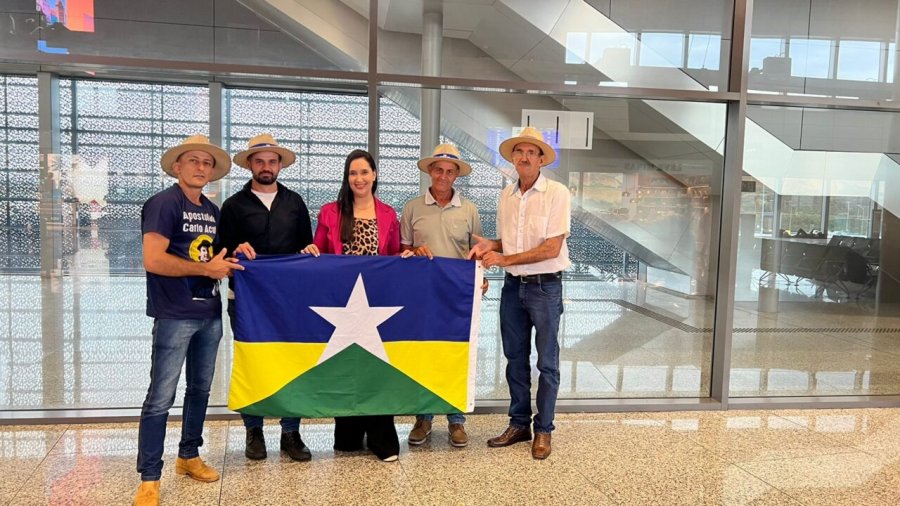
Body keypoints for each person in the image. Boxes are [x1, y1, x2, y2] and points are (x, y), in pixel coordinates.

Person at [135, 135, 243, 505]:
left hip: (209, 314)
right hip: (174, 314)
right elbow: (153, 260)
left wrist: (229, 261)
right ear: (177, 166)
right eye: (193, 161)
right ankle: (150, 477)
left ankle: (189, 455)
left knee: (199, 390)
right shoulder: (164, 204)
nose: (200, 167)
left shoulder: (213, 212)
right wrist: (205, 268)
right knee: (160, 397)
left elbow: (213, 261)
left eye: (206, 163)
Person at [468, 126, 570, 460]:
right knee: (514, 358)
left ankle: (544, 430)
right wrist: (489, 246)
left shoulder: (557, 193)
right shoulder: (506, 195)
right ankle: (518, 424)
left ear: (542, 159)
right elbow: (509, 243)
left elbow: (552, 247)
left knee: (548, 363)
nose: (524, 157)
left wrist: (504, 256)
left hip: (545, 286)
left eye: (531, 152)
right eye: (519, 152)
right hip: (513, 287)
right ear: (513, 157)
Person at [217, 134, 314, 462]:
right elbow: (221, 254)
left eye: (272, 161)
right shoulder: (233, 206)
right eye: (259, 161)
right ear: (249, 165)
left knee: (293, 362)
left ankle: (291, 431)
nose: (266, 167)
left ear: (280, 165)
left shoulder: (295, 203)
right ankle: (253, 430)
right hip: (246, 300)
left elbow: (307, 247)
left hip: (291, 301)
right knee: (252, 361)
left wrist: (310, 252)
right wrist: (233, 251)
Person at [301, 149, 401, 462]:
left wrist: (409, 260)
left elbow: (394, 258)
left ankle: (382, 438)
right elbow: (319, 250)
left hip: (376, 303)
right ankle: (349, 435)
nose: (358, 179)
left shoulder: (388, 215)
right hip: (341, 304)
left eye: (364, 172)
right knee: (345, 365)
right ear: (347, 178)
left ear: (374, 175)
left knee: (375, 367)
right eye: (352, 173)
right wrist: (309, 250)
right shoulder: (330, 212)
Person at [400, 143, 484, 448]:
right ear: (430, 172)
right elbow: (402, 252)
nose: (444, 176)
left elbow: (477, 255)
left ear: (456, 175)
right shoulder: (412, 207)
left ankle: (456, 419)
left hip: (457, 297)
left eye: (450, 171)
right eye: (439, 170)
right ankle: (423, 417)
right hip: (422, 296)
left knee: (455, 354)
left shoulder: (470, 210)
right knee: (423, 354)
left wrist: (480, 281)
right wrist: (412, 251)